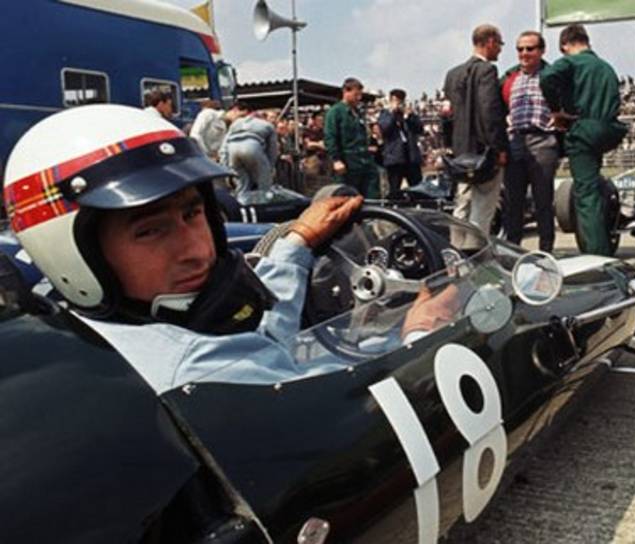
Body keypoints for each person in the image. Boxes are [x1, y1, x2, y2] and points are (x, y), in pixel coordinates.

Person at [2, 104, 448, 394]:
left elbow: (257, 342)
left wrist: (296, 243)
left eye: (193, 213)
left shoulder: (95, 334)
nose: (197, 250)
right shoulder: (196, 375)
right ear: (76, 253)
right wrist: (419, 337)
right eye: (150, 231)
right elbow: (352, 413)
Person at [539, 24, 627, 256]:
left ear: (564, 46)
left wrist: (556, 110)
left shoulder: (571, 62)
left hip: (583, 131)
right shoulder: (605, 67)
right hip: (609, 129)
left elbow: (546, 77)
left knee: (586, 195)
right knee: (594, 186)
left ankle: (597, 255)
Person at [443, 24, 509, 242]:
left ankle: (455, 250)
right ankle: (476, 252)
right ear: (490, 42)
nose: (500, 49)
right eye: (499, 44)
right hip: (483, 152)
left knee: (461, 205)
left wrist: (451, 147)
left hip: (461, 152)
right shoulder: (487, 70)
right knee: (483, 208)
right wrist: (498, 148)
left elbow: (447, 116)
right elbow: (490, 112)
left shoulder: (452, 74)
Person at [500, 30, 560, 251]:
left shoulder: (552, 75)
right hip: (515, 140)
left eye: (530, 48)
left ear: (541, 51)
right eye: (520, 49)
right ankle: (511, 250)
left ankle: (546, 251)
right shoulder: (509, 78)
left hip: (543, 140)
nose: (524, 53)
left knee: (543, 200)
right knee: (513, 202)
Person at [324, 78, 380, 198]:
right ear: (346, 91)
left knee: (372, 194)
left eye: (360, 95)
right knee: (348, 196)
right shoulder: (335, 112)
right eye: (356, 95)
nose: (359, 98)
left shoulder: (358, 112)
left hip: (364, 160)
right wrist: (336, 160)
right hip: (348, 162)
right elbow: (330, 137)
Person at [219, 101, 278, 194]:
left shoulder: (235, 124)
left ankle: (241, 201)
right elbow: (272, 151)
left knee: (242, 185)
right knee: (264, 184)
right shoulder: (268, 126)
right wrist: (270, 168)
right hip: (253, 147)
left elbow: (223, 149)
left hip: (233, 150)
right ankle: (263, 201)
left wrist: (226, 169)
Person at [378, 89, 424, 198]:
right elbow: (385, 129)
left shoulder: (408, 115)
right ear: (390, 101)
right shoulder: (385, 114)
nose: (399, 104)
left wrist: (409, 116)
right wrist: (393, 113)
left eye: (401, 101)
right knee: (394, 191)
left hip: (411, 157)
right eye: (396, 101)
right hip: (395, 158)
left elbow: (420, 129)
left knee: (418, 189)